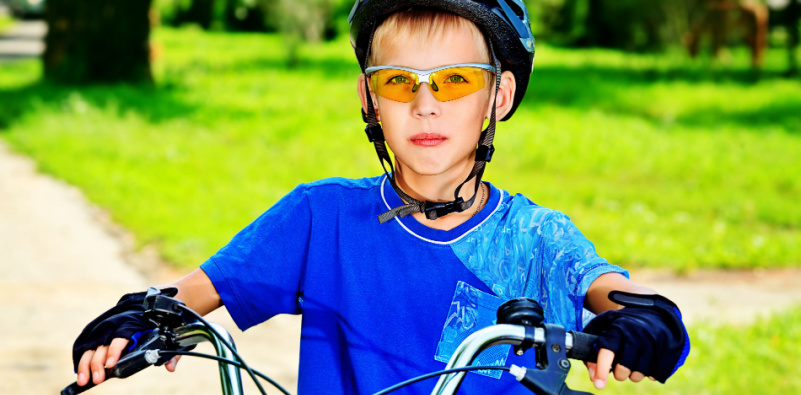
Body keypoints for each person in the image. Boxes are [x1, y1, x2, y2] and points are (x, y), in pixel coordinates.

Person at [71, 1, 690, 393]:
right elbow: (196, 292)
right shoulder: (321, 217)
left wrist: (643, 320)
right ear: (369, 101)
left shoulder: (532, 237)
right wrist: (144, 317)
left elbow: (612, 291)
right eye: (399, 81)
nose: (426, 103)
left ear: (497, 99)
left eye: (455, 81)